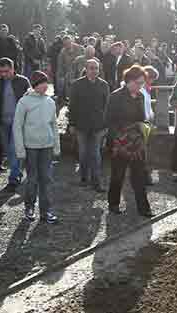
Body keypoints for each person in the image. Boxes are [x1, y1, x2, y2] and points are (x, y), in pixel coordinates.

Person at [13, 71, 60, 224]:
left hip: (46, 146)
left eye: (46, 82)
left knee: (46, 179)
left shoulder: (50, 102)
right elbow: (17, 126)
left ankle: (46, 211)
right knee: (32, 179)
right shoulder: (24, 102)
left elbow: (54, 125)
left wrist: (56, 146)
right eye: (41, 82)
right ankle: (29, 208)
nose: (45, 85)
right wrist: (20, 149)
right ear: (35, 85)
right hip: (30, 147)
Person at [107, 65, 153, 217]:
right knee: (117, 175)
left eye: (142, 83)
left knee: (139, 176)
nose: (140, 86)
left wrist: (143, 126)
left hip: (136, 141)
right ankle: (113, 204)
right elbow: (109, 120)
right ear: (129, 81)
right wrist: (119, 140)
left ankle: (144, 208)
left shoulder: (140, 96)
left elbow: (142, 118)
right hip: (120, 142)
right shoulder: (115, 96)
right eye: (138, 83)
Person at [0, 57, 31, 192]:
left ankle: (13, 179)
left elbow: (31, 102)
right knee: (8, 150)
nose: (3, 74)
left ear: (13, 69)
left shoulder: (23, 81)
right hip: (3, 122)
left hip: (18, 122)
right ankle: (18, 171)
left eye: (6, 71)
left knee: (14, 150)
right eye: (1, 72)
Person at [69, 59, 110, 193]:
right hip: (81, 125)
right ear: (86, 69)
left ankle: (96, 181)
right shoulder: (77, 85)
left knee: (96, 154)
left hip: (98, 126)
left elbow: (107, 107)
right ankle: (84, 178)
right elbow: (73, 106)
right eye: (91, 68)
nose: (94, 71)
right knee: (83, 153)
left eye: (96, 68)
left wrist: (106, 125)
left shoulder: (104, 85)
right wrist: (72, 124)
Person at [142, 65, 159, 185]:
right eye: (152, 79)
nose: (152, 82)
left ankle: (145, 175)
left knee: (147, 151)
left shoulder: (146, 89)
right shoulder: (142, 90)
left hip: (147, 123)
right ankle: (145, 176)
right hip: (143, 123)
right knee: (144, 152)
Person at [56, 35, 83, 103]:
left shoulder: (80, 48)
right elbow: (60, 64)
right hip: (69, 73)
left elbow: (85, 58)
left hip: (80, 71)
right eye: (65, 44)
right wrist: (60, 75)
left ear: (72, 41)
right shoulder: (63, 52)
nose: (67, 45)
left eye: (69, 43)